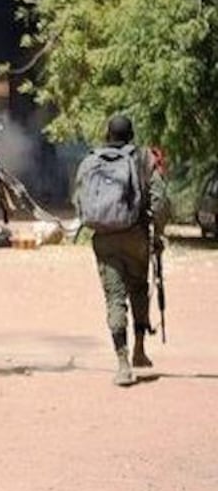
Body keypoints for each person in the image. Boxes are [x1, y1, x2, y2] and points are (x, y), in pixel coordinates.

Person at [74, 115, 168, 386]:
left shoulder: (90, 161)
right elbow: (160, 201)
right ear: (131, 134)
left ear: (107, 134)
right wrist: (157, 233)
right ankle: (140, 349)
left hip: (103, 239)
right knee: (138, 289)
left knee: (114, 298)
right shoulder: (143, 159)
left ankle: (122, 363)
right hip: (136, 236)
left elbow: (79, 199)